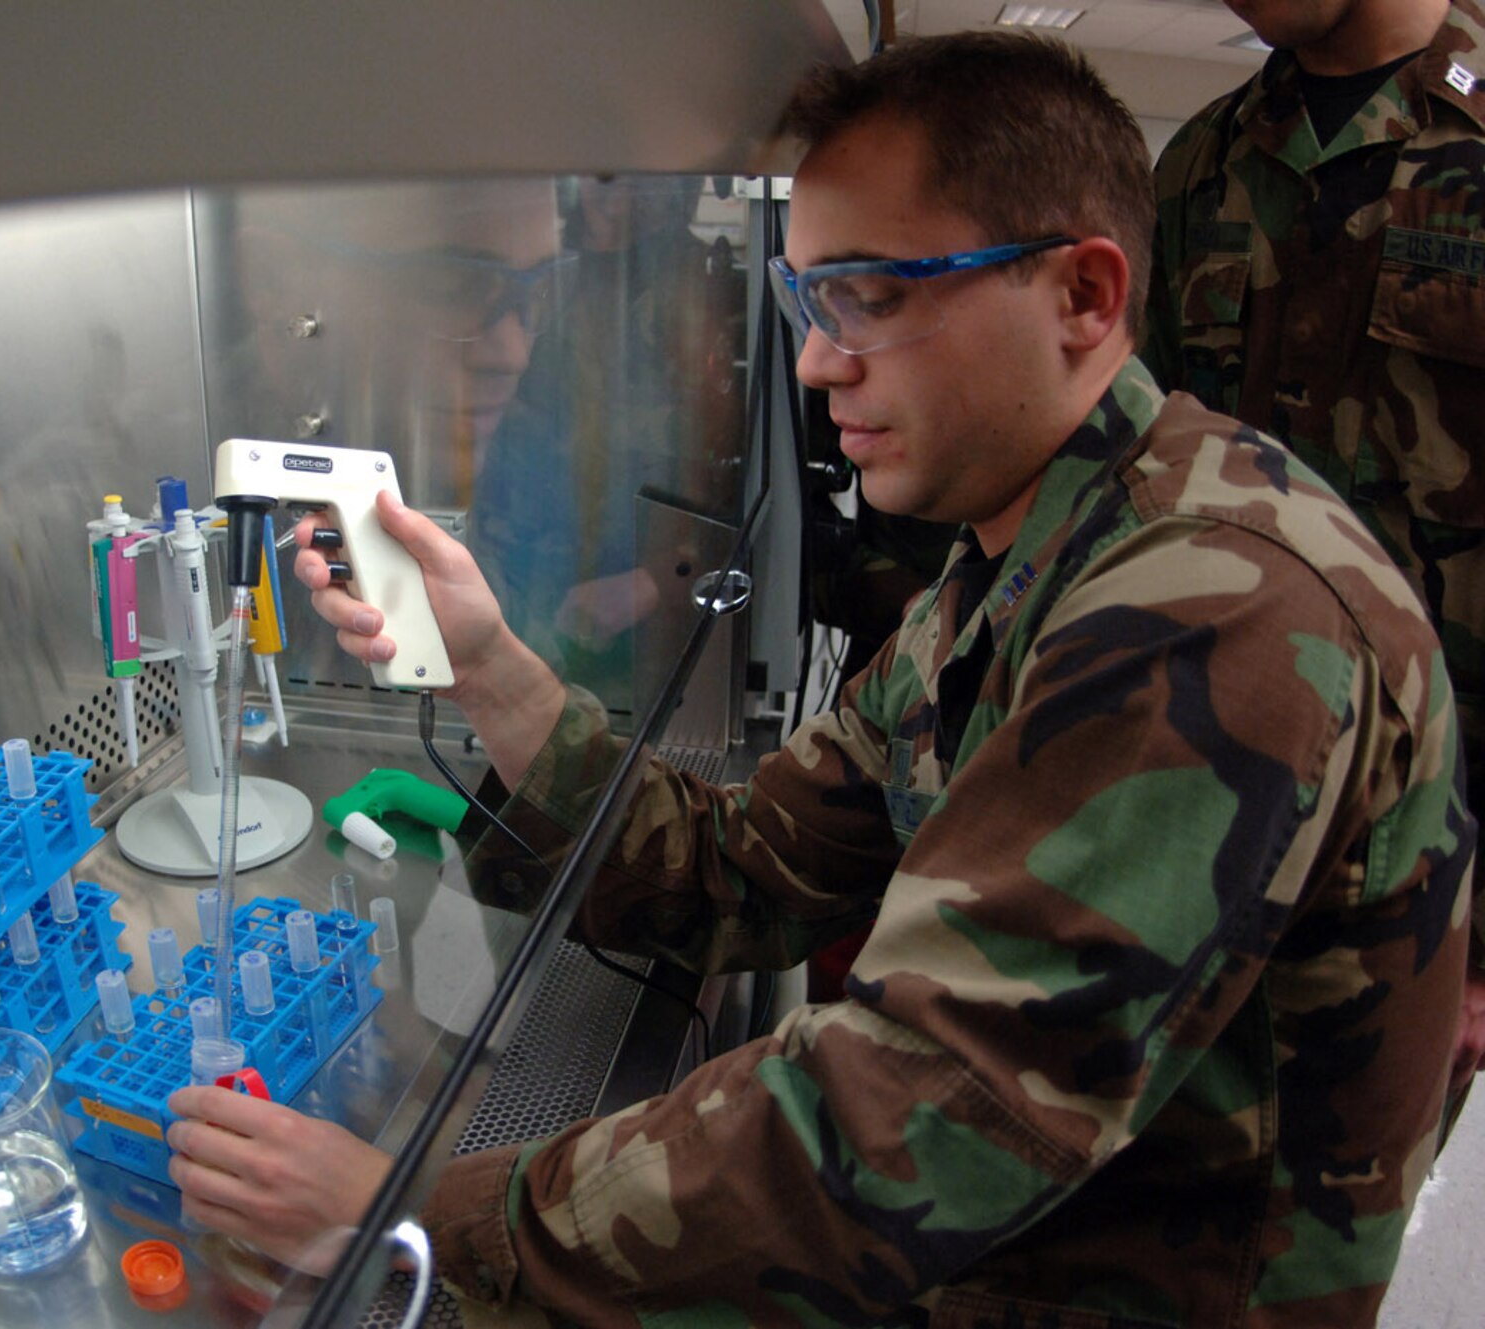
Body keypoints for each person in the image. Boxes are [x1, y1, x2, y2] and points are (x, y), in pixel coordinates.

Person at [166, 31, 1476, 1325]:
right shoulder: (1025, 560)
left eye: (874, 297)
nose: (813, 361)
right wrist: (489, 665)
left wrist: (417, 1209)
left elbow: (913, 1124)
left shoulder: (1206, 604)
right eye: (807, 300)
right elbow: (749, 869)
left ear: (1083, 295)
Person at [1143, 0, 1485, 1105]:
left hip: (1426, 852)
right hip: (1204, 812)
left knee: (1313, 1245)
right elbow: (1135, 487)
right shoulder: (1201, 164)